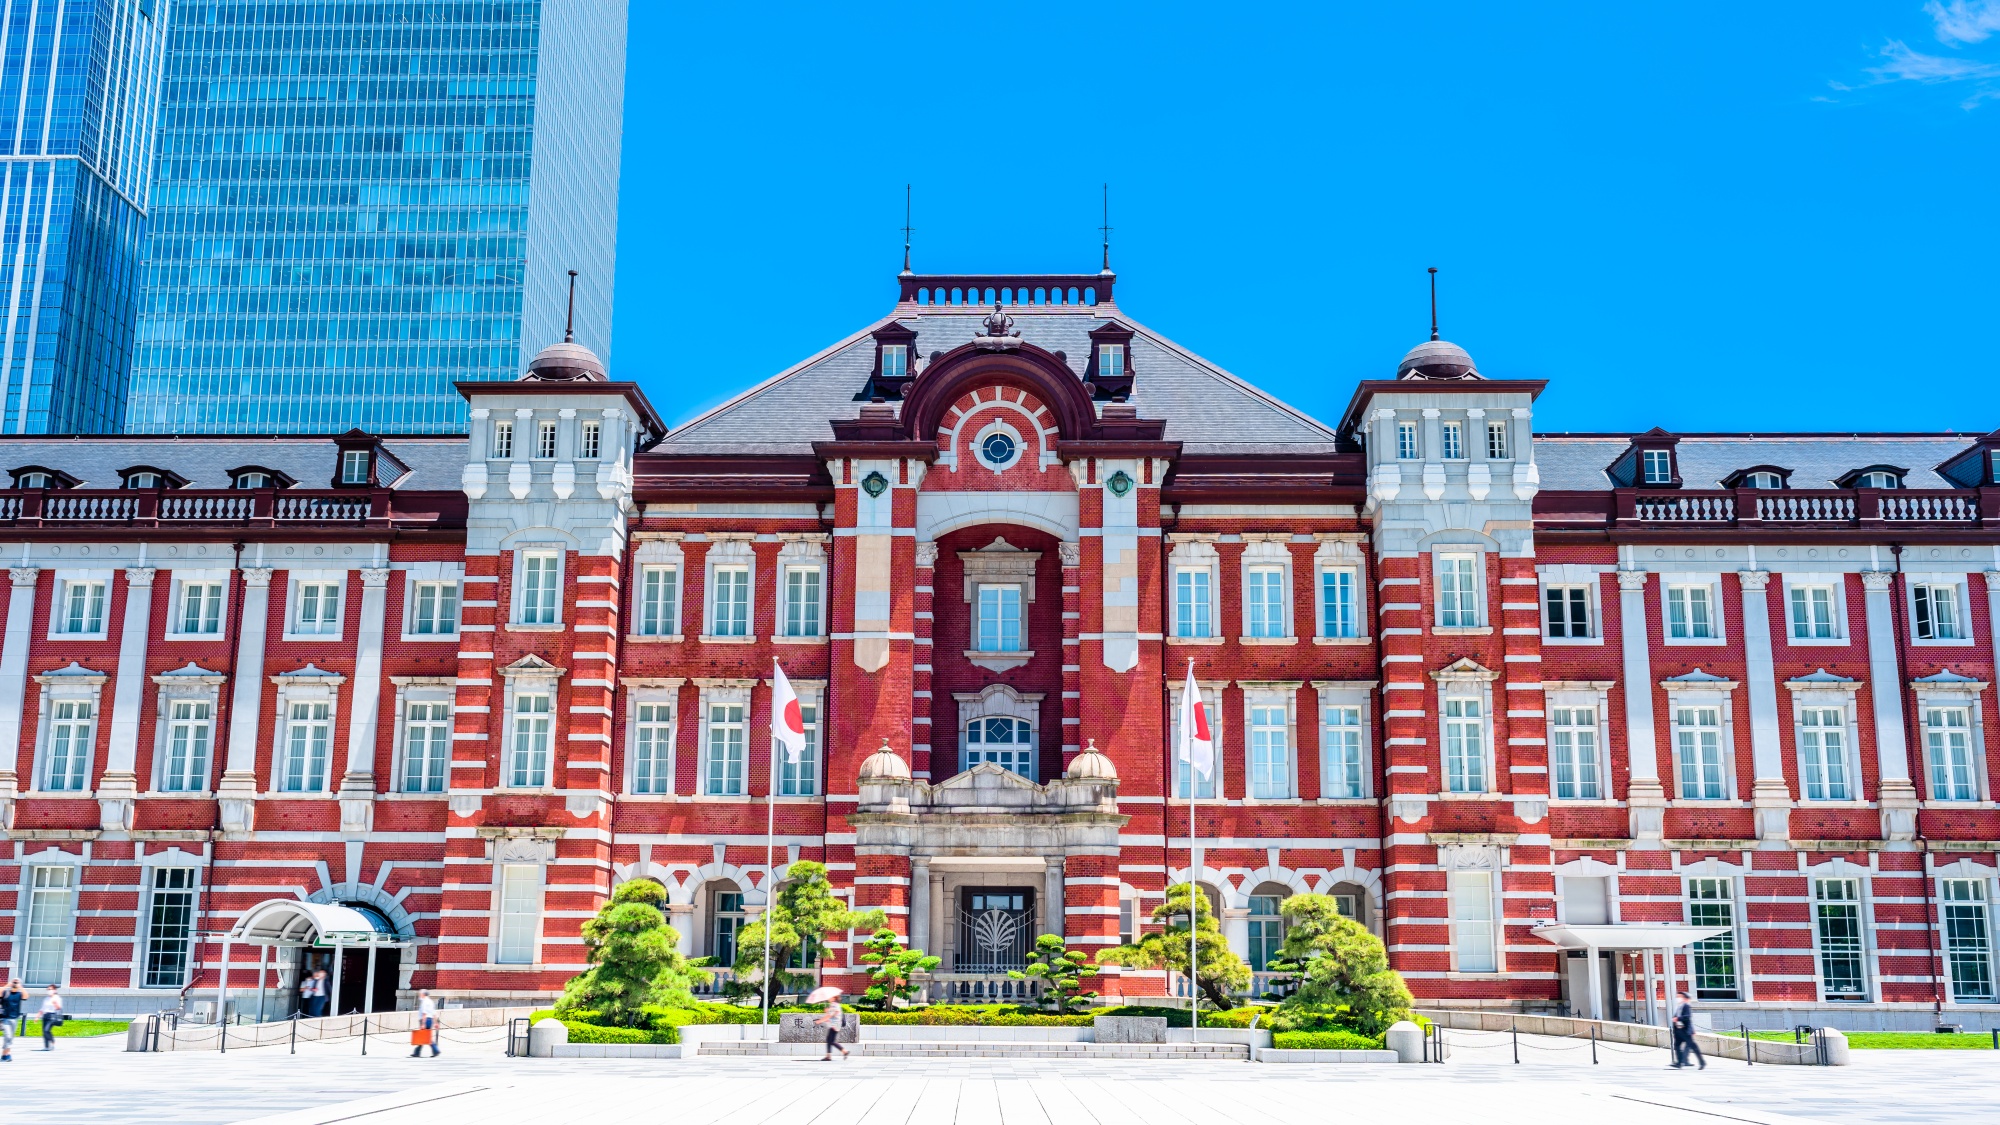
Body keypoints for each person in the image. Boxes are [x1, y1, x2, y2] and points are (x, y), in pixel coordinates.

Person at [1671, 989, 1706, 1070]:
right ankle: (1679, 1063)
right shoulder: (1679, 1007)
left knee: (1693, 1046)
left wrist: (1678, 1018)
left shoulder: (1686, 1006)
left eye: (1679, 997)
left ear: (1684, 998)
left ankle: (1702, 1062)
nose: (1678, 998)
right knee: (1677, 1046)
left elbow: (1687, 1017)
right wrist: (1675, 1031)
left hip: (1685, 1030)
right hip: (1679, 1030)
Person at [814, 995, 849, 1061]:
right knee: (829, 1040)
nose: (828, 998)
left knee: (831, 1041)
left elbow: (829, 1016)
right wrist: (827, 1011)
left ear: (833, 998)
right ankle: (829, 1056)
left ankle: (844, 1051)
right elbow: (832, 1015)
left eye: (829, 997)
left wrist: (819, 1021)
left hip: (834, 1025)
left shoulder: (834, 1005)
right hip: (835, 1025)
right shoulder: (835, 1005)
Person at [411, 989, 440, 1058]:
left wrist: (423, 1023)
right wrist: (435, 1022)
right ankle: (417, 1052)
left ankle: (435, 1050)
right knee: (425, 1036)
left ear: (423, 994)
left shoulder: (424, 1002)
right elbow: (434, 1013)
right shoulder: (430, 1002)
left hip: (425, 1020)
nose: (419, 995)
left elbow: (424, 1013)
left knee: (425, 1036)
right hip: (430, 1020)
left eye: (420, 994)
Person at [0, 978, 22, 1061]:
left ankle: (5, 1054)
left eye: (16, 982)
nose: (15, 983)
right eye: (14, 982)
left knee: (10, 1037)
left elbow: (26, 996)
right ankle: (7, 1054)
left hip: (14, 1018)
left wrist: (20, 987)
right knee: (8, 1035)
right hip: (4, 1017)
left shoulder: (19, 993)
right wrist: (8, 985)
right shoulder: (6, 992)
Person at [37, 985, 61, 1051]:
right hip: (45, 1015)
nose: (49, 991)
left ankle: (52, 1042)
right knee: (44, 1032)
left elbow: (59, 1008)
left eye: (50, 989)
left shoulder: (57, 998)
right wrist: (37, 1016)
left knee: (46, 1030)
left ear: (54, 990)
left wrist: (55, 1003)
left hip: (52, 1016)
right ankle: (47, 1046)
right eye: (48, 989)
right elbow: (42, 1008)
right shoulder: (46, 998)